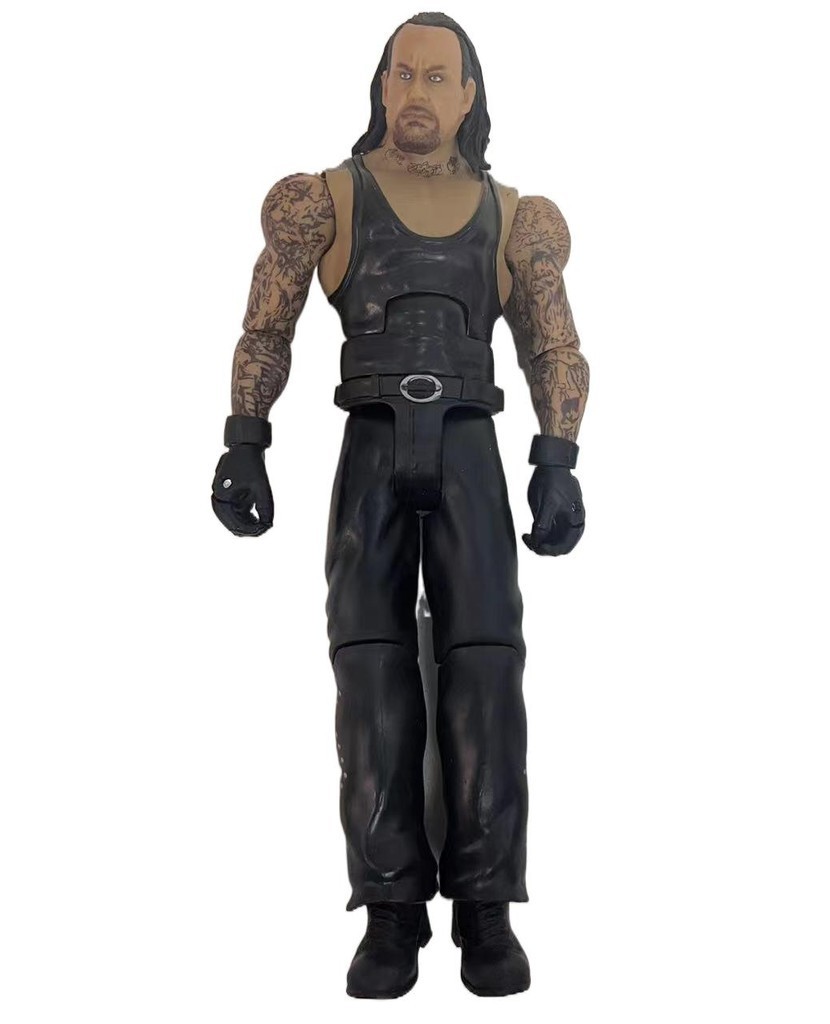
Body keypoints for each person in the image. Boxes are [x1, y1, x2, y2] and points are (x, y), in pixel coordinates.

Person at [210, 12, 589, 999]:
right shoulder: (324, 202)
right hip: (370, 443)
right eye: (401, 74)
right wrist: (245, 438)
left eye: (436, 77)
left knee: (487, 671)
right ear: (381, 86)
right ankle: (388, 906)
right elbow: (267, 322)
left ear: (469, 95)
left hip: (470, 446)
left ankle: (486, 904)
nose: (416, 93)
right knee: (370, 672)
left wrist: (557, 456)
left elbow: (552, 343)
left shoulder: (515, 217)